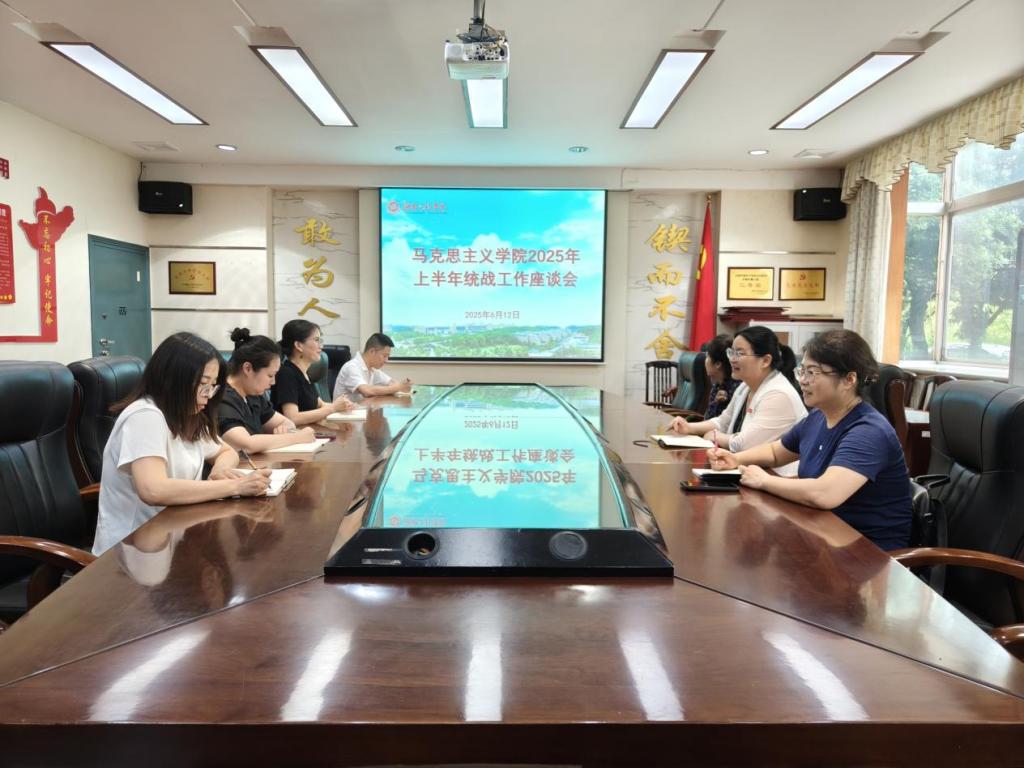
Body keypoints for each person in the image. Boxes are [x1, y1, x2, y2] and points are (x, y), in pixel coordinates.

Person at [706, 329, 912, 551]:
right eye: (802, 371)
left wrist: (764, 481)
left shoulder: (868, 431)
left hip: (867, 553)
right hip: (821, 535)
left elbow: (825, 494)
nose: (803, 381)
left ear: (849, 379)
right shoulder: (819, 416)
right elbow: (776, 452)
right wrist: (736, 459)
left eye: (812, 373)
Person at [93, 332, 271, 555]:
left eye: (213, 385)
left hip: (172, 536)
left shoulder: (185, 415)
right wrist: (235, 486)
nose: (208, 395)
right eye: (203, 384)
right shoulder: (145, 416)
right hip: (130, 551)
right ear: (173, 380)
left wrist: (220, 471)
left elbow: (226, 451)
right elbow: (153, 490)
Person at [670, 326, 807, 475]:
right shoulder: (745, 386)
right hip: (745, 470)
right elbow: (723, 421)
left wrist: (714, 436)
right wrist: (689, 427)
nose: (732, 359)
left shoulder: (778, 394)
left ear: (765, 360)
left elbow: (744, 444)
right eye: (731, 352)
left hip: (776, 477)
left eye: (740, 353)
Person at [218, 328, 317, 453]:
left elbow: (287, 423)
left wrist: (284, 429)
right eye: (270, 375)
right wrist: (297, 437)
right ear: (247, 368)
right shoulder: (223, 397)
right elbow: (246, 445)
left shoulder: (252, 394)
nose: (273, 382)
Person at [272, 319, 354, 425]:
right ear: (299, 345)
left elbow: (321, 405)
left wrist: (343, 405)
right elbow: (292, 418)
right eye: (316, 340)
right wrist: (333, 408)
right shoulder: (286, 374)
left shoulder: (304, 373)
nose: (321, 346)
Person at [334, 332, 412, 401]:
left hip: (361, 410)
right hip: (345, 412)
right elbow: (367, 391)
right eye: (384, 356)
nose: (386, 360)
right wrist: (398, 387)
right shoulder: (351, 367)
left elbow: (391, 382)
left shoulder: (373, 369)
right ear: (372, 351)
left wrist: (404, 385)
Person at [703, 334, 741, 419]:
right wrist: (716, 402)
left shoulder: (738, 389)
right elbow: (707, 418)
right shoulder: (717, 385)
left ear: (718, 364)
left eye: (707, 356)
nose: (705, 361)